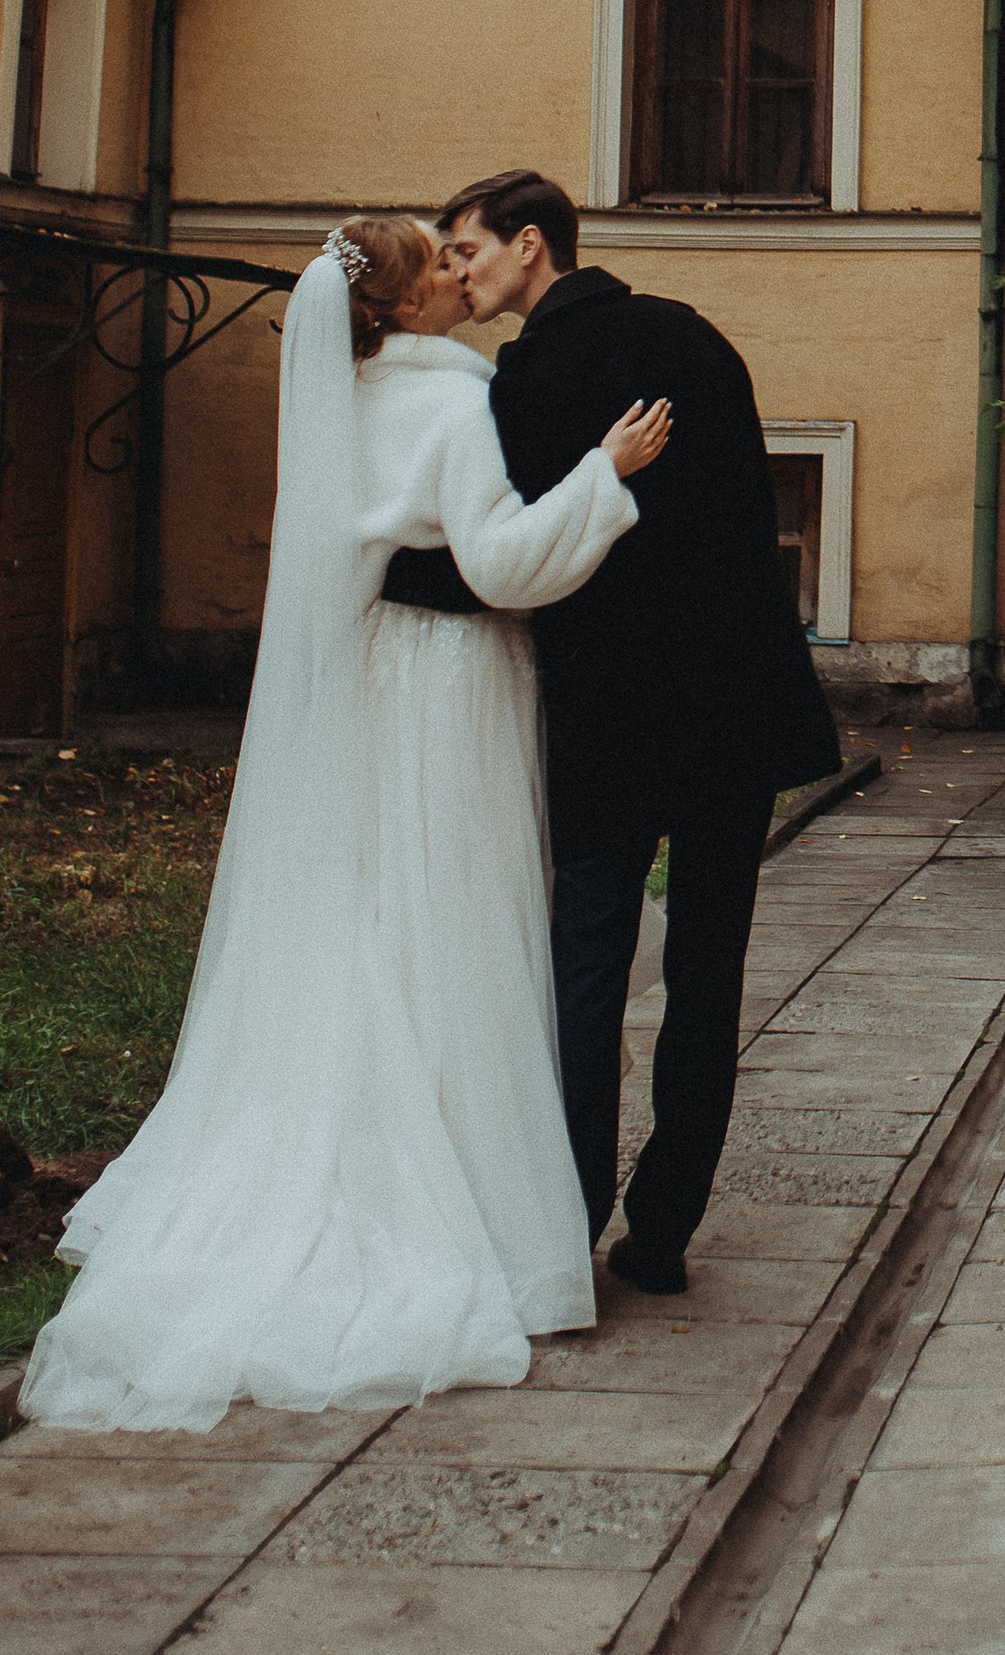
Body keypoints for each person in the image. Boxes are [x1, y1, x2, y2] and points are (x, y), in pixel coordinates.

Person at [21, 218, 672, 1433]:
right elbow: (502, 565)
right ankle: (479, 1207)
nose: (457, 276)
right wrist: (603, 476)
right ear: (405, 308)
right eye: (438, 264)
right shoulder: (446, 406)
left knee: (372, 906)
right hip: (453, 684)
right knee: (455, 921)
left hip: (369, 683)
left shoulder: (338, 402)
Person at [440, 169, 843, 1296]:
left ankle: (563, 1223)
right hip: (732, 706)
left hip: (609, 711)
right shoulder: (693, 336)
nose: (457, 269)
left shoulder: (525, 377)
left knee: (589, 966)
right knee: (709, 971)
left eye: (467, 246)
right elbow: (746, 514)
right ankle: (663, 1228)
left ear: (532, 245)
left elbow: (515, 553)